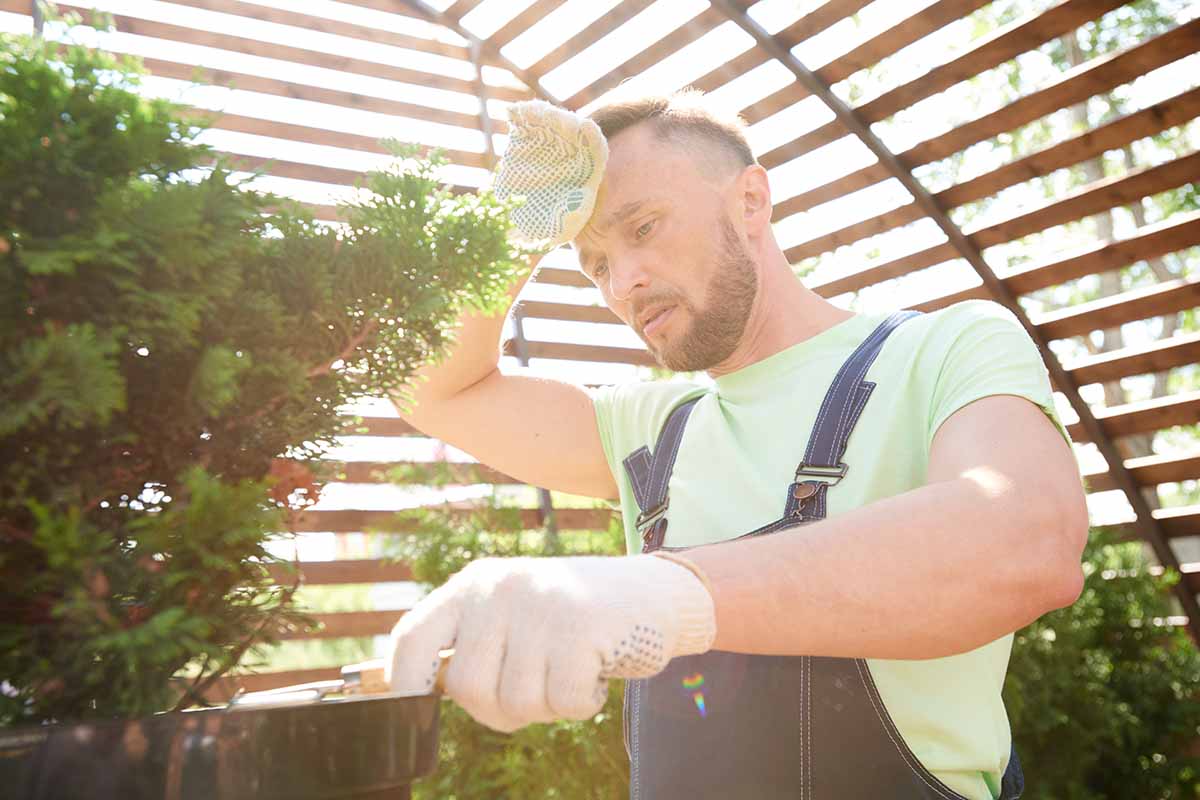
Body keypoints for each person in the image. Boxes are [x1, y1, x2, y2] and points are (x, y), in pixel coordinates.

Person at [386, 91, 1087, 800]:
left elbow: (1026, 539)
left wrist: (665, 591)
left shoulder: (942, 348)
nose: (621, 283)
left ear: (751, 201)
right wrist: (507, 231)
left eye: (645, 227)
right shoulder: (650, 429)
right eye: (594, 263)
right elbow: (431, 389)